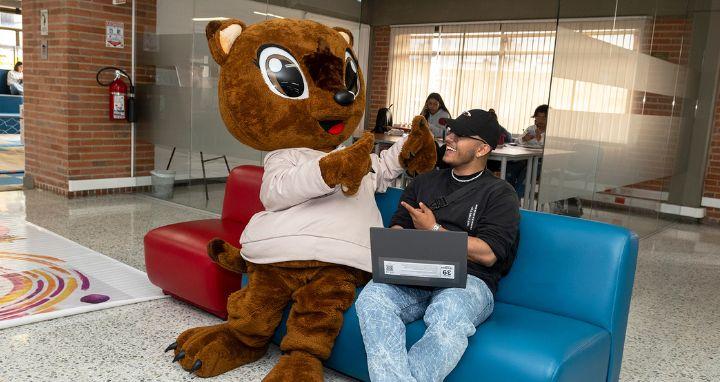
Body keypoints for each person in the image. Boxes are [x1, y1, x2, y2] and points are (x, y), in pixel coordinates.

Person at [356, 109, 520, 382]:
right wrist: (395, 244)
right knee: (372, 298)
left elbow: (489, 254)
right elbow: (398, 227)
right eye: (451, 132)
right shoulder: (423, 182)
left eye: (461, 135)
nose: (450, 138)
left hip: (469, 280)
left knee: (448, 314)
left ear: (482, 149)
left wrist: (433, 230)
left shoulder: (500, 194)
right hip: (416, 271)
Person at [507, 104, 549, 197]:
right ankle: (508, 197)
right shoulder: (531, 129)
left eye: (544, 118)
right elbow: (517, 141)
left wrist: (539, 138)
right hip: (525, 159)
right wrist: (524, 139)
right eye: (538, 117)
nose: (540, 121)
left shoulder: (551, 131)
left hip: (541, 161)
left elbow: (549, 148)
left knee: (526, 174)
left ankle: (516, 198)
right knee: (510, 169)